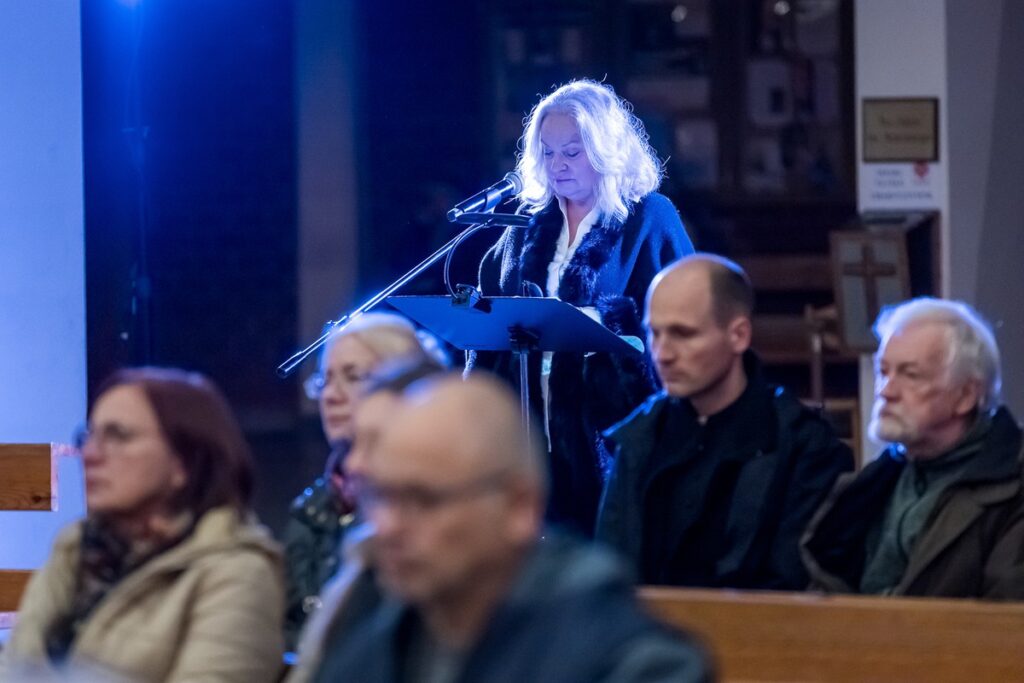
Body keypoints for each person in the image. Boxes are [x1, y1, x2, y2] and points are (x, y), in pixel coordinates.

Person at [298, 374, 711, 683]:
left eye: (423, 500)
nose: (386, 527)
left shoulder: (634, 665)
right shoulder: (373, 637)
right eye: (380, 497)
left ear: (519, 506)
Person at [467, 79, 694, 535]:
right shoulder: (526, 230)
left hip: (613, 426)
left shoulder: (649, 217)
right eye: (548, 153)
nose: (558, 165)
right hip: (534, 423)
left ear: (606, 150)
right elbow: (491, 318)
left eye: (572, 151)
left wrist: (606, 327)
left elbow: (687, 315)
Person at [0, 368, 284, 682]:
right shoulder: (75, 545)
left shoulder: (239, 571)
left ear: (183, 464)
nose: (90, 455)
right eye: (89, 436)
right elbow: (14, 667)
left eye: (118, 436)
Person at [596, 254, 853, 589]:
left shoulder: (804, 446)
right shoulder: (642, 436)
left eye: (683, 334)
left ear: (739, 335)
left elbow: (794, 590)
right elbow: (612, 568)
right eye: (654, 334)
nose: (662, 354)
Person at [802, 298, 1024, 598]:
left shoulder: (1012, 484)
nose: (885, 390)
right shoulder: (871, 482)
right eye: (883, 371)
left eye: (910, 374)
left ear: (966, 395)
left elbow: (1003, 621)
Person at [285, 313, 446, 646]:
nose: (331, 395)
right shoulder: (309, 510)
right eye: (325, 380)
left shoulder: (440, 508)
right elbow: (290, 635)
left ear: (407, 386)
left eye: (353, 376)